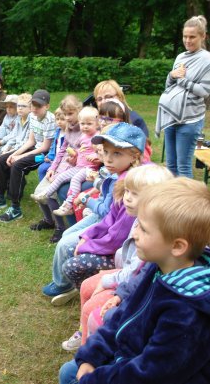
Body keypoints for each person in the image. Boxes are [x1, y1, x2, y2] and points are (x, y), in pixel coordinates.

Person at [59, 177, 210, 384]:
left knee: (71, 376)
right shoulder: (159, 268)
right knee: (69, 371)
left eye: (143, 229)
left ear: (177, 246)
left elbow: (151, 373)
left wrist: (96, 378)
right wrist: (92, 354)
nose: (134, 234)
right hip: (129, 358)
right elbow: (123, 315)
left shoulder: (189, 313)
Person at [61, 165, 174, 352]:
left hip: (131, 282)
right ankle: (85, 333)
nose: (127, 197)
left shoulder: (151, 235)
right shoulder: (138, 217)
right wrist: (87, 239)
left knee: (93, 309)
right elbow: (107, 224)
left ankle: (91, 352)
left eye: (135, 194)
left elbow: (138, 273)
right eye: (127, 191)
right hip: (124, 272)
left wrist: (109, 280)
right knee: (88, 286)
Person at [42, 123, 145, 306]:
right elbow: (109, 218)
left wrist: (88, 245)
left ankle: (83, 292)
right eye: (105, 152)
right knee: (68, 237)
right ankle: (75, 286)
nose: (108, 159)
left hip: (123, 255)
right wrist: (86, 236)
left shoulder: (130, 187)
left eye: (117, 153)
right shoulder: (120, 175)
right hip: (106, 228)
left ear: (135, 155)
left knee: (67, 247)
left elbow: (116, 236)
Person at [0, 89, 56, 223]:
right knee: (3, 159)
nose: (35, 109)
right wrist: (13, 154)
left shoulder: (50, 120)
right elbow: (31, 141)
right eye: (33, 105)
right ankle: (0, 197)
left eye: (39, 106)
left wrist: (19, 158)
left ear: (47, 106)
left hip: (45, 154)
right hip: (34, 148)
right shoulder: (32, 116)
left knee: (17, 165)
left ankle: (16, 209)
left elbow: (44, 147)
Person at [155, 15, 210, 178]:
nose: (187, 40)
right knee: (171, 165)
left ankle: (186, 202)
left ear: (203, 37)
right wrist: (171, 75)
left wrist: (182, 80)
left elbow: (204, 91)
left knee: (183, 166)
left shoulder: (206, 59)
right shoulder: (180, 57)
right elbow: (170, 87)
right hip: (171, 117)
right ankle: (173, 200)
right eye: (185, 36)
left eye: (192, 37)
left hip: (190, 120)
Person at [30, 96, 82, 239]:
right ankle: (50, 221)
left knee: (51, 195)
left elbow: (83, 155)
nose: (67, 118)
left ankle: (61, 228)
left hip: (72, 170)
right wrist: (52, 167)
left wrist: (74, 158)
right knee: (40, 192)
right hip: (59, 168)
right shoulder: (69, 130)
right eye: (65, 115)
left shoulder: (83, 130)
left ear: (79, 111)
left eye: (69, 114)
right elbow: (60, 152)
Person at [0, 93, 32, 185]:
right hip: (8, 142)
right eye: (7, 107)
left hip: (17, 146)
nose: (8, 109)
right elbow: (3, 129)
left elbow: (16, 137)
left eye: (11, 107)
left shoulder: (20, 118)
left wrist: (3, 144)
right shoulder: (8, 117)